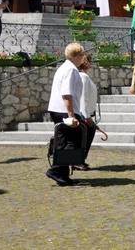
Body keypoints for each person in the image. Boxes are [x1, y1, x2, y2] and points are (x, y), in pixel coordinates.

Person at [45, 43, 85, 186]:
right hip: (63, 110)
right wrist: (71, 115)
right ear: (75, 56)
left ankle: (63, 175)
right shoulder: (71, 70)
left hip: (56, 108)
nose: (83, 58)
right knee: (72, 142)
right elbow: (67, 94)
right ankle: (56, 170)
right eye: (81, 55)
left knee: (63, 142)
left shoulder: (65, 67)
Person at [75, 53, 98, 171]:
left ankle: (80, 159)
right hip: (83, 114)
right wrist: (86, 115)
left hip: (85, 112)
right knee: (85, 138)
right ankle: (78, 160)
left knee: (86, 136)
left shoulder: (83, 76)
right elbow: (83, 98)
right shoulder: (83, 77)